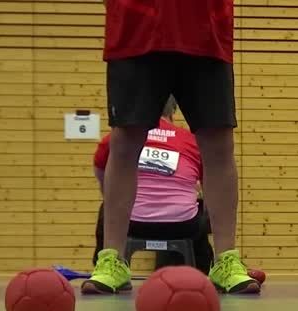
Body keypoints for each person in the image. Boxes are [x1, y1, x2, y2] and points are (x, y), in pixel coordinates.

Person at [86, 0, 258, 295]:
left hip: (206, 27)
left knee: (218, 143)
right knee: (125, 141)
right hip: (136, 25)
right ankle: (111, 258)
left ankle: (226, 259)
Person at [92, 97, 214, 273]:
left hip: (130, 222)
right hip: (182, 226)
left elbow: (103, 177)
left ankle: (104, 268)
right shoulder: (191, 140)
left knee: (108, 207)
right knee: (200, 209)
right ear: (173, 111)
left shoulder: (118, 137)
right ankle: (206, 270)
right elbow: (210, 189)